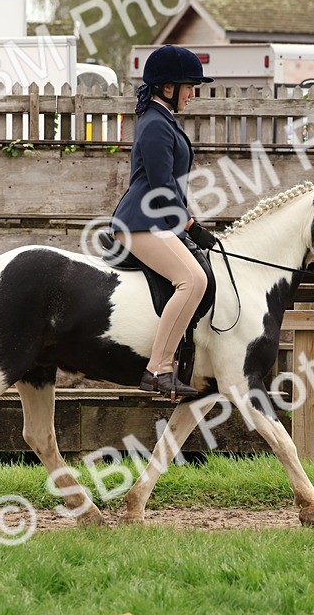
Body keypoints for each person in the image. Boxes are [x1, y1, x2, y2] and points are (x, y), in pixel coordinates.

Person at [111, 45, 216, 399]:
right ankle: (158, 368)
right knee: (192, 279)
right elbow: (160, 185)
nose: (192, 93)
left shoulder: (163, 120)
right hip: (141, 222)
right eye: (188, 86)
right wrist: (188, 225)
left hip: (157, 221)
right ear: (167, 87)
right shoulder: (156, 123)